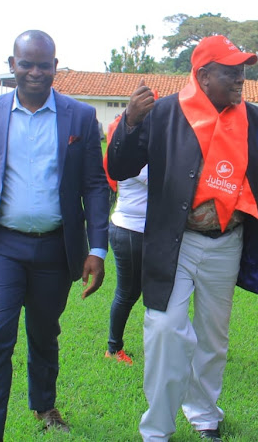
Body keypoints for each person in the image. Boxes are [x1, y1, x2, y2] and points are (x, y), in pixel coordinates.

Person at [107, 35, 258, 442]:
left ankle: (204, 413)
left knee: (213, 336)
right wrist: (130, 124)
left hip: (228, 241)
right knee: (166, 328)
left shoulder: (253, 119)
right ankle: (157, 428)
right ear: (203, 74)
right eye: (231, 71)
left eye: (242, 71)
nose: (241, 79)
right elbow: (121, 165)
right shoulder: (165, 114)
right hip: (177, 243)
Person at [0, 30, 109, 441]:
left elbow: (94, 185)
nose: (35, 72)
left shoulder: (79, 117)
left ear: (55, 66)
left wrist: (97, 248)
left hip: (56, 247)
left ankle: (44, 404)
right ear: (11, 64)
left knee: (45, 332)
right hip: (0, 246)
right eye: (26, 63)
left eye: (43, 64)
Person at [103, 115, 147, 366]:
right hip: (130, 231)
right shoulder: (132, 158)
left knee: (137, 291)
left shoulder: (137, 153)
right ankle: (113, 348)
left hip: (137, 231)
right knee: (127, 293)